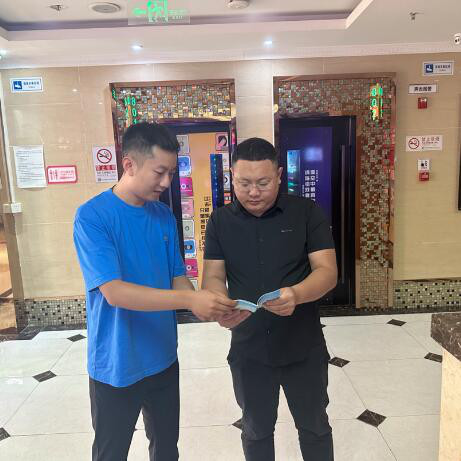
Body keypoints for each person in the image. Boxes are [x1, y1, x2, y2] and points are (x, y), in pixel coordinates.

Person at [73, 122, 236, 461]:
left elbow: (177, 277)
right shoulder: (92, 217)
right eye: (159, 172)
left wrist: (208, 305)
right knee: (110, 452)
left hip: (163, 357)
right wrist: (190, 299)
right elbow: (115, 292)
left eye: (172, 173)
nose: (166, 182)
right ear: (129, 164)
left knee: (165, 449)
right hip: (116, 363)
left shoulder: (162, 215)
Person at [202, 137, 338, 461]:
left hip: (302, 345)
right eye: (243, 183)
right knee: (256, 430)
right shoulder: (220, 221)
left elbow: (327, 271)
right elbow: (213, 277)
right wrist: (220, 303)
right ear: (231, 176)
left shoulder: (306, 213)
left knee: (314, 427)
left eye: (263, 183)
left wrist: (297, 294)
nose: (253, 192)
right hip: (248, 348)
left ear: (278, 175)